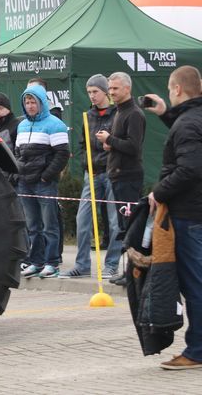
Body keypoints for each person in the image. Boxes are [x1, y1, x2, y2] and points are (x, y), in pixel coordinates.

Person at [142, 66, 202, 370]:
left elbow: (190, 168)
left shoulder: (189, 123)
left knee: (195, 286)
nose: (168, 93)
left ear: (177, 89)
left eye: (169, 88)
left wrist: (159, 192)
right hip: (196, 214)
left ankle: (197, 351)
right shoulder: (193, 118)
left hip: (189, 215)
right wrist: (166, 114)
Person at [62, 74, 120, 278]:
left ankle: (112, 264)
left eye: (95, 91)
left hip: (112, 174)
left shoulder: (117, 114)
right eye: (89, 92)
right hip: (92, 174)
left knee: (115, 222)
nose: (92, 96)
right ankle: (82, 264)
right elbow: (81, 143)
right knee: (82, 219)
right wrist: (85, 161)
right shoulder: (88, 115)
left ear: (106, 92)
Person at [96, 71, 145, 285]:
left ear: (127, 88)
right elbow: (121, 143)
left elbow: (134, 147)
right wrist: (110, 144)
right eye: (110, 88)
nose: (111, 92)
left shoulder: (134, 113)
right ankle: (128, 271)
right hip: (117, 176)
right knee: (124, 227)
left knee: (130, 227)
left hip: (128, 177)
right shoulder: (119, 112)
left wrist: (111, 140)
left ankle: (134, 272)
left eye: (115, 88)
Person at [16, 83, 69, 279]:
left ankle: (52, 262)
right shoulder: (21, 125)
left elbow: (62, 154)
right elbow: (18, 153)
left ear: (41, 103)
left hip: (45, 183)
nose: (30, 105)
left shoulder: (55, 124)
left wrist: (47, 175)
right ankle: (35, 261)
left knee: (50, 225)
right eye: (27, 102)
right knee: (32, 225)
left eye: (33, 102)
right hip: (25, 182)